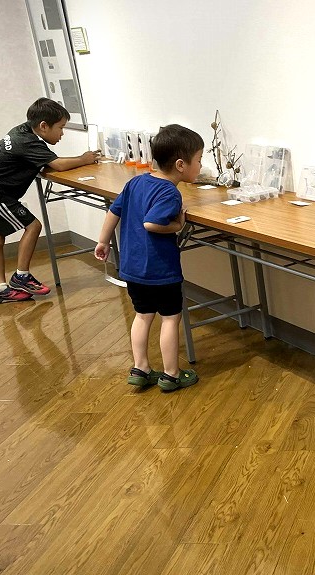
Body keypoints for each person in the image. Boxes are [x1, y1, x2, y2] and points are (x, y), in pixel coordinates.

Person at [94, 124, 203, 393]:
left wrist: (103, 241)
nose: (201, 166)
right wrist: (178, 225)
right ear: (181, 165)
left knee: (142, 316)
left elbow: (113, 211)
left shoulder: (135, 182)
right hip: (161, 271)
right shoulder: (170, 193)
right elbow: (152, 224)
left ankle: (140, 368)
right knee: (170, 319)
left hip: (132, 269)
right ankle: (171, 374)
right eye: (199, 160)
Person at [0, 98, 100, 304]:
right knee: (33, 226)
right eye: (61, 128)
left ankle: (0, 289)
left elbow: (41, 161)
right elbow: (57, 165)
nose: (62, 133)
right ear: (43, 126)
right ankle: (21, 276)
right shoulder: (28, 142)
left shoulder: (21, 131)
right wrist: (84, 159)